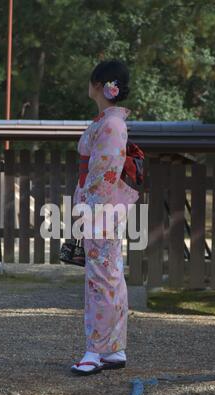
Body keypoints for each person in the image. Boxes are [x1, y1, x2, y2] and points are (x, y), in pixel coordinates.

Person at [71, 60, 139, 376]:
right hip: (102, 205)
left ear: (99, 84)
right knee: (110, 276)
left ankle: (95, 351)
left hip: (101, 206)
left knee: (101, 278)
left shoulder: (111, 125)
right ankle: (113, 348)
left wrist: (89, 207)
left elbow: (103, 173)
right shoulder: (108, 121)